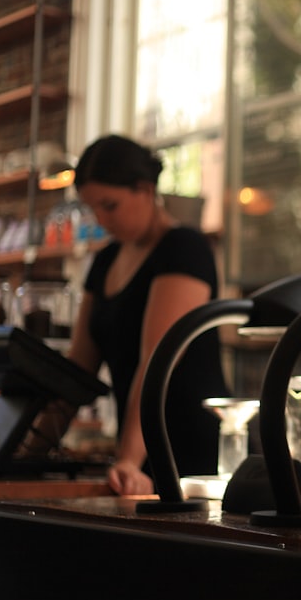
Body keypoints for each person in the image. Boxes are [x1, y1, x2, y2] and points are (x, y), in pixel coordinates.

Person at [66, 134, 229, 494]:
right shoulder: (105, 259)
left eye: (110, 205)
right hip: (139, 453)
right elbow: (78, 366)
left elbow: (158, 361)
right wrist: (30, 441)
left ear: (145, 189)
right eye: (92, 209)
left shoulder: (184, 248)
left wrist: (127, 459)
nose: (101, 219)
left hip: (188, 453)